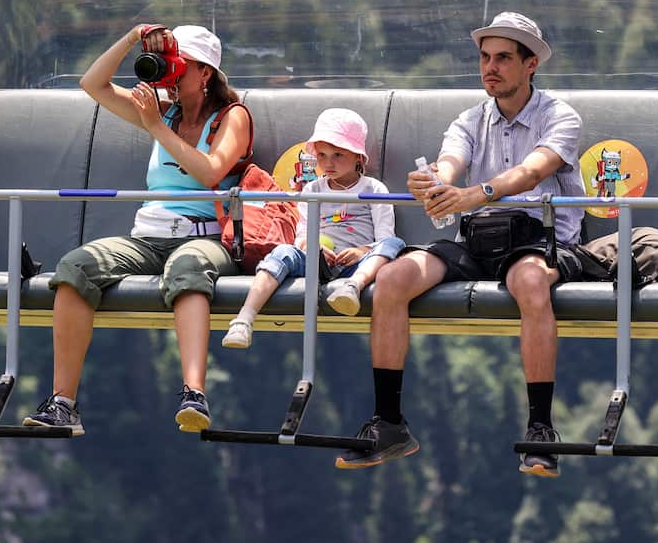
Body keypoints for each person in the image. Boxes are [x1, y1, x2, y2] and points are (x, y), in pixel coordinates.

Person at [335, 11, 588, 477]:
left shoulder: (560, 116)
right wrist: (433, 182)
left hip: (538, 236)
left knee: (530, 283)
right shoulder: (470, 119)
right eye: (485, 57)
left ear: (531, 65)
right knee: (391, 280)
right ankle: (389, 421)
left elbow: (532, 171)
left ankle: (540, 428)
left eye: (504, 58)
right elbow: (452, 163)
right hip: (479, 237)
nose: (490, 67)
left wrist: (474, 193)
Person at [24, 23, 250, 435]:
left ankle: (194, 393)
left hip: (205, 236)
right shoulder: (161, 111)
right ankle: (63, 403)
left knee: (187, 270)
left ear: (206, 74)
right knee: (75, 268)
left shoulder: (231, 117)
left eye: (180, 66)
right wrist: (133, 39)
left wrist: (156, 127)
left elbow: (211, 172)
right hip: (149, 235)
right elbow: (93, 84)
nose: (171, 75)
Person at [221, 109, 404, 349]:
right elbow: (302, 235)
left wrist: (361, 251)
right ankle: (244, 318)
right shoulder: (313, 190)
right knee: (282, 252)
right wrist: (312, 245)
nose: (328, 163)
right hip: (317, 260)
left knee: (394, 245)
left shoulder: (374, 189)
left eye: (338, 155)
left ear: (359, 156)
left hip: (358, 263)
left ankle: (353, 286)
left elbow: (384, 236)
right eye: (322, 155)